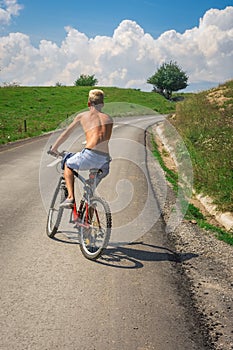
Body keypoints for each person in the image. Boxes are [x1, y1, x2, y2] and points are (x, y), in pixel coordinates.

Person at [51, 89, 113, 208]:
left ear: (89, 103)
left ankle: (70, 198)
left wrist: (54, 148)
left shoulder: (83, 116)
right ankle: (87, 223)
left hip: (90, 155)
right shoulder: (109, 119)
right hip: (105, 162)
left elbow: (66, 134)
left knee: (68, 164)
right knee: (90, 193)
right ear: (102, 104)